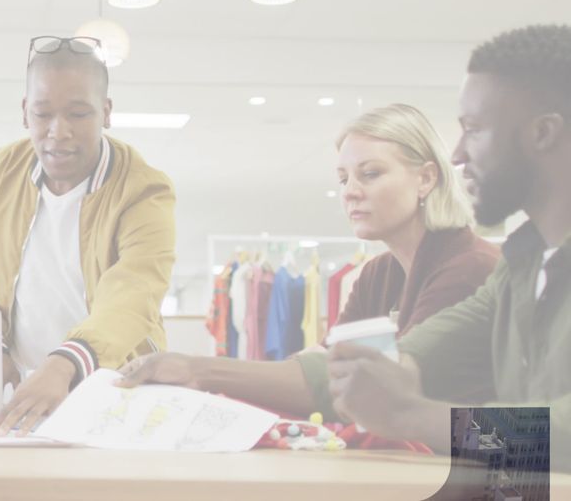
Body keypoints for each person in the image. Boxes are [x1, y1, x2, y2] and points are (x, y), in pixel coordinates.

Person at [117, 104, 498, 419]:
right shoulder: (378, 273)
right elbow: (323, 359)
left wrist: (201, 370)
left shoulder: (469, 268)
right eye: (344, 178)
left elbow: (384, 383)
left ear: (427, 178)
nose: (350, 192)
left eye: (370, 174)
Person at [328, 24, 571, 471]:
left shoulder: (482, 263)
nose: (457, 154)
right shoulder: (518, 268)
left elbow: (561, 435)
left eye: (474, 130)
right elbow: (407, 358)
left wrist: (414, 415)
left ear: (543, 133)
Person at [0, 36, 176, 436]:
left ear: (106, 112)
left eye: (78, 114)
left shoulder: (144, 189)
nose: (58, 132)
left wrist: (64, 363)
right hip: (21, 394)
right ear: (24, 113)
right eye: (43, 114)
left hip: (117, 389)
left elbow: (136, 289)